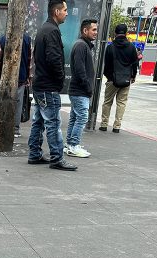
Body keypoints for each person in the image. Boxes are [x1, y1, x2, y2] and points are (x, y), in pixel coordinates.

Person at [27, 0, 76, 170]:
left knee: (39, 121)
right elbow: (54, 59)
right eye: (65, 10)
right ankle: (57, 158)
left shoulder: (43, 29)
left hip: (40, 84)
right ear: (56, 12)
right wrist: (60, 79)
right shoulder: (52, 31)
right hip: (48, 86)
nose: (67, 13)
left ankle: (34, 153)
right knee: (53, 123)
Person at [66, 19, 98, 157]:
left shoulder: (82, 45)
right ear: (85, 31)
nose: (96, 32)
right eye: (93, 30)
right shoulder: (81, 46)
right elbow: (80, 70)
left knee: (75, 117)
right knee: (82, 118)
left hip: (78, 90)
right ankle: (73, 145)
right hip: (80, 90)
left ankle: (70, 144)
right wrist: (88, 87)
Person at [0, 32, 32, 138]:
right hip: (21, 78)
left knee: (1, 103)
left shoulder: (2, 39)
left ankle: (0, 128)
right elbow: (29, 61)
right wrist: (28, 77)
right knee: (18, 104)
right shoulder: (27, 39)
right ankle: (15, 129)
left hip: (3, 77)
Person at [100, 23, 138, 133]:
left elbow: (106, 65)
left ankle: (104, 124)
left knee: (107, 102)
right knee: (121, 103)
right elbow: (135, 64)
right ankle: (117, 126)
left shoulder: (110, 47)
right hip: (126, 80)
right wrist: (132, 76)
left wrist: (109, 76)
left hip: (112, 79)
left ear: (115, 33)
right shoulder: (131, 47)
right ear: (126, 33)